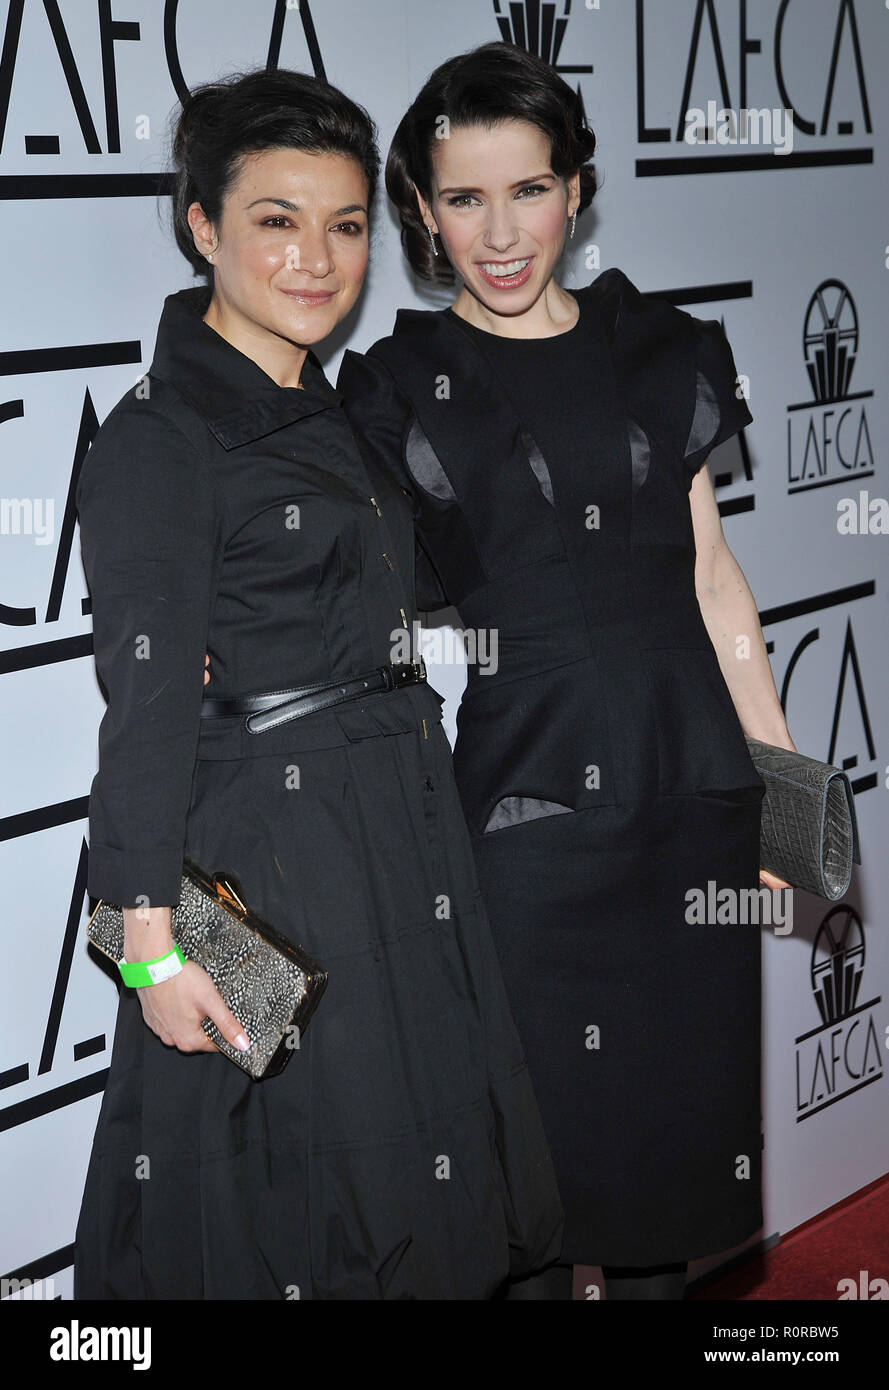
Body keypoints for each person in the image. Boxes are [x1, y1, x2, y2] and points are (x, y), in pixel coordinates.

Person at [73, 66, 562, 1300]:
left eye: (345, 226)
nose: (316, 260)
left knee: (417, 1168)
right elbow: (142, 707)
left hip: (395, 823)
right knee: (307, 1196)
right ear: (202, 228)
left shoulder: (339, 410)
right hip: (277, 850)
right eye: (275, 221)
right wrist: (147, 950)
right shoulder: (161, 438)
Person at [337, 41, 796, 1301]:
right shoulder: (393, 385)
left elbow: (711, 580)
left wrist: (785, 786)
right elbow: (349, 590)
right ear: (421, 214)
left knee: (669, 1170)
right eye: (464, 199)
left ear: (576, 191)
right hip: (522, 820)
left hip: (687, 798)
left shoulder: (666, 349)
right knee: (528, 1186)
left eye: (527, 190)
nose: (499, 231)